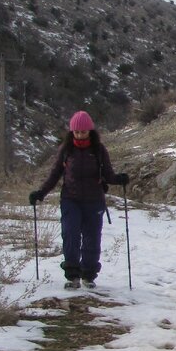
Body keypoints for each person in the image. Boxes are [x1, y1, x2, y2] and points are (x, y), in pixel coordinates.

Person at [30, 110, 128, 290]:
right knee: (70, 234)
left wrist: (118, 179)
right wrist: (41, 193)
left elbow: (108, 174)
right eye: (76, 132)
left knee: (92, 238)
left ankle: (88, 275)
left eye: (83, 132)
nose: (80, 135)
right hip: (70, 199)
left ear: (90, 131)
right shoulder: (66, 150)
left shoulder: (99, 150)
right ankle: (73, 275)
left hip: (94, 200)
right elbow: (55, 174)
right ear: (71, 132)